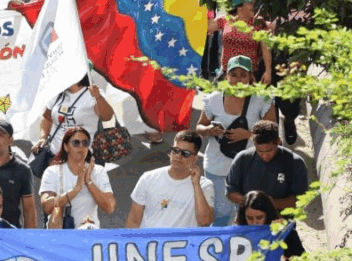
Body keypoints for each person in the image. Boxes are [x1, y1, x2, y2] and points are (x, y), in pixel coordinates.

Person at [196, 55, 276, 225]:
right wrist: (209, 130)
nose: (238, 79)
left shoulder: (262, 100)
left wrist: (248, 135)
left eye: (243, 75)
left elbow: (275, 138)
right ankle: (220, 250)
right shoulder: (213, 99)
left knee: (250, 215)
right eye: (234, 74)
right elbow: (199, 128)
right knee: (220, 215)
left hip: (251, 169)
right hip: (217, 167)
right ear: (226, 77)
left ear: (251, 77)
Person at [126, 131, 215, 228]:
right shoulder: (148, 178)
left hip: (183, 242)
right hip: (151, 241)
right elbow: (134, 220)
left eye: (185, 153)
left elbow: (204, 221)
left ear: (195, 158)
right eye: (175, 150)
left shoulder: (204, 185)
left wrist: (196, 184)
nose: (178, 156)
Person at [39, 128, 116, 230]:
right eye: (76, 143)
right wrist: (76, 189)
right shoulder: (52, 171)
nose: (81, 147)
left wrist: (89, 182)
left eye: (85, 143)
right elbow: (47, 206)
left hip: (89, 234)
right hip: (61, 236)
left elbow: (109, 207)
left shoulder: (98, 171)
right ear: (66, 147)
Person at [226, 120, 310, 212]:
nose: (265, 155)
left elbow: (301, 199)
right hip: (248, 222)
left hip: (282, 222)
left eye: (269, 151)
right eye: (260, 152)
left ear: (278, 141)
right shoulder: (242, 159)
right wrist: (251, 203)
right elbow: (231, 192)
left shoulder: (295, 162)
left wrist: (270, 203)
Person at [234, 190, 310, 261]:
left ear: (268, 215)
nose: (255, 223)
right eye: (250, 218)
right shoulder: (238, 237)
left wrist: (280, 236)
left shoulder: (285, 234)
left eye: (259, 217)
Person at [35, 74, 115, 166]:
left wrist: (98, 97)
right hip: (56, 158)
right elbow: (46, 117)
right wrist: (43, 138)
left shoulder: (92, 93)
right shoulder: (56, 94)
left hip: (85, 159)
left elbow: (107, 116)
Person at [208, 0, 272, 85]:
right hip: (227, 73)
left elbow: (265, 48)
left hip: (248, 75)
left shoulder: (258, 22)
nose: (254, 6)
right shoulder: (226, 19)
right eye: (250, 3)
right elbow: (208, 28)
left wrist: (268, 71)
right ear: (239, 6)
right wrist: (208, 11)